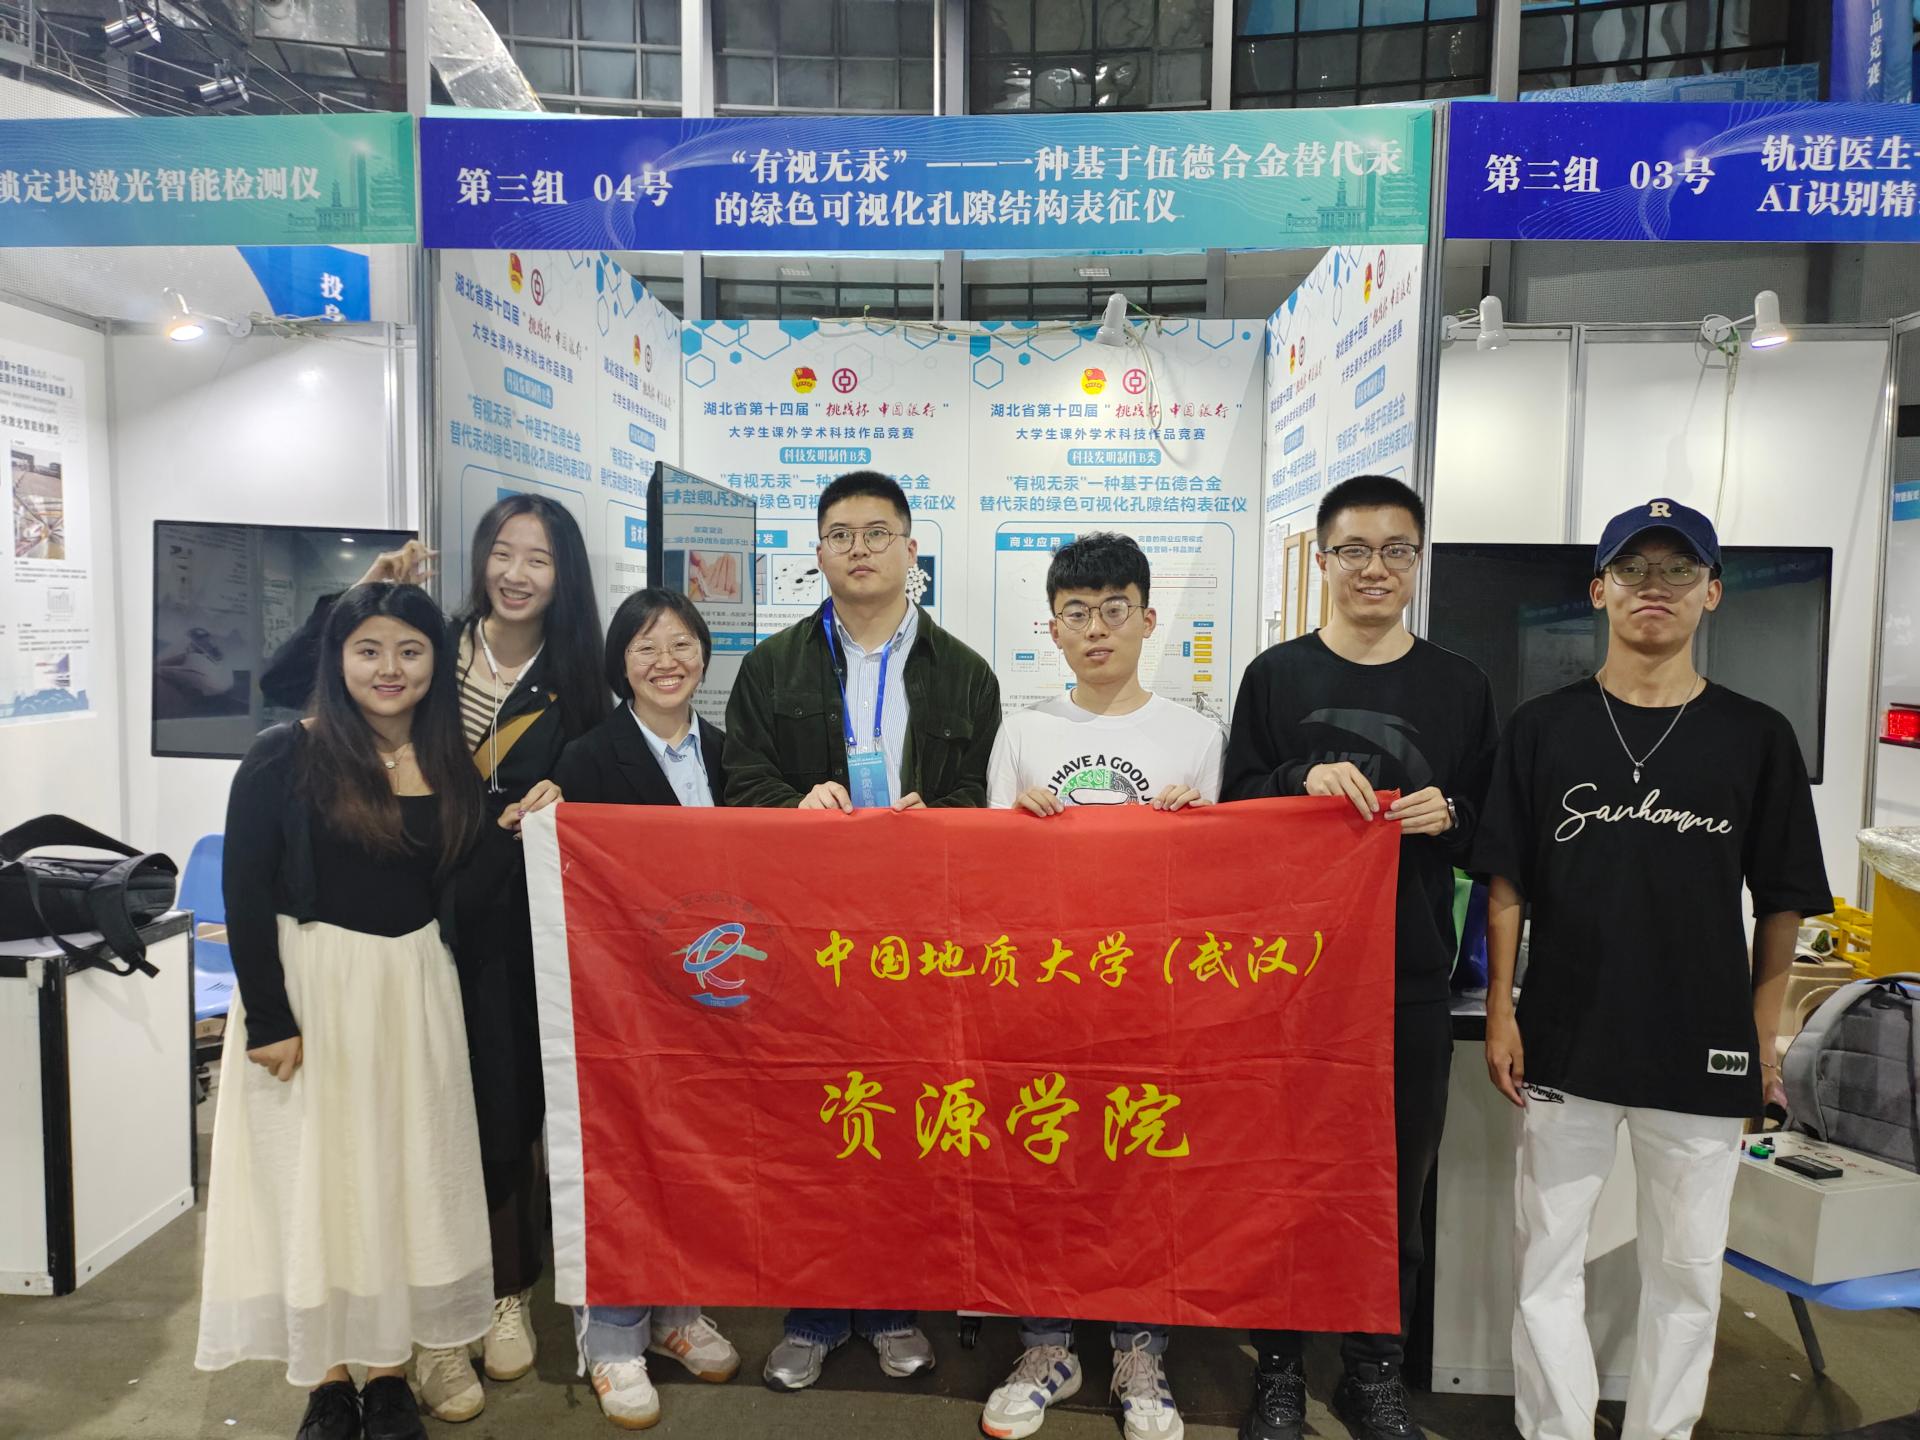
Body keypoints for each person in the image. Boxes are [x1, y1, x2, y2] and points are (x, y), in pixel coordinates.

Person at [1474, 499, 1830, 1440]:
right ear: (1599, 591)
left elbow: (1783, 900)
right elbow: (1506, 880)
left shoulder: (1757, 735)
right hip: (1564, 1033)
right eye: (1633, 570)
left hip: (1702, 1044)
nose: (1654, 588)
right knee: (1547, 1261)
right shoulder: (1543, 727)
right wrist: (1503, 1009)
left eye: (1679, 570)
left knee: (1687, 1272)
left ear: (1713, 593)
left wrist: (1764, 1040)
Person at [260, 495, 606, 1421]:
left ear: (564, 576)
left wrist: (564, 792)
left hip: (500, 919)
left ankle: (498, 1291)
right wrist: (359, 593)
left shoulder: (576, 674)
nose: (517, 573)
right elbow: (289, 684)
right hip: (394, 914)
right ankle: (396, 1327)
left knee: (496, 1104)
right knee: (380, 1121)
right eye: (504, 551)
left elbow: (598, 774)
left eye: (540, 558)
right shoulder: (427, 645)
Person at [195, 582, 557, 1440]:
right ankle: (329, 1382)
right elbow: (244, 891)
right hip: (312, 991)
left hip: (413, 996)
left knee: (401, 1178)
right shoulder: (283, 755)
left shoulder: (451, 763)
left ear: (435, 661)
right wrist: (270, 1018)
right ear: (339, 657)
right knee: (315, 1185)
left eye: (409, 651)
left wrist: (518, 826)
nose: (389, 669)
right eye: (369, 650)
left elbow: (459, 891)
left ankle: (390, 1373)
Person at [1224, 474, 1498, 1440]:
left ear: (1418, 562)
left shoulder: (1461, 685)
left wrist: (1450, 814)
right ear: (1324, 559)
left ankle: (1375, 1371)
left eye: (1396, 551)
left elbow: (1493, 830)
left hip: (1409, 976)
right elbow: (1234, 811)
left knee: (1395, 1181)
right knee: (1284, 1177)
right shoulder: (1275, 677)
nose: (1374, 569)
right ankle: (1279, 1368)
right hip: (1291, 980)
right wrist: (1299, 778)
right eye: (1354, 551)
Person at [724, 469, 1002, 1390]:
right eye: (840, 534)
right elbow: (741, 783)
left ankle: (889, 1302)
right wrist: (796, 804)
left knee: (901, 1123)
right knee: (810, 1125)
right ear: (818, 553)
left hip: (919, 938)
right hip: (809, 935)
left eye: (877, 532)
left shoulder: (966, 672)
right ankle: (811, 1310)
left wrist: (939, 818)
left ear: (911, 548)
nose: (859, 549)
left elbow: (984, 796)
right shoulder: (771, 668)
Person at [980, 531, 1221, 1440]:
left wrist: (1200, 827)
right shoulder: (1025, 730)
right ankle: (1045, 1346)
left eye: (1115, 610)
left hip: (1150, 1002)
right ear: (1052, 628)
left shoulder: (1195, 734)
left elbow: (1225, 886)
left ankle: (1138, 1350)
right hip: (1043, 1000)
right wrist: (1014, 825)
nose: (1096, 629)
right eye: (1076, 613)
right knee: (1041, 1168)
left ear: (1148, 620)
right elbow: (989, 881)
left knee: (1142, 1176)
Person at [549, 587, 742, 1428]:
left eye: (681, 643)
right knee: (624, 1158)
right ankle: (612, 1339)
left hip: (712, 996)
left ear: (703, 653)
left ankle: (676, 1312)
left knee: (694, 1157)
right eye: (645, 647)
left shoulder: (730, 753)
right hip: (621, 1001)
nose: (667, 661)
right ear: (620, 664)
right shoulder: (588, 758)